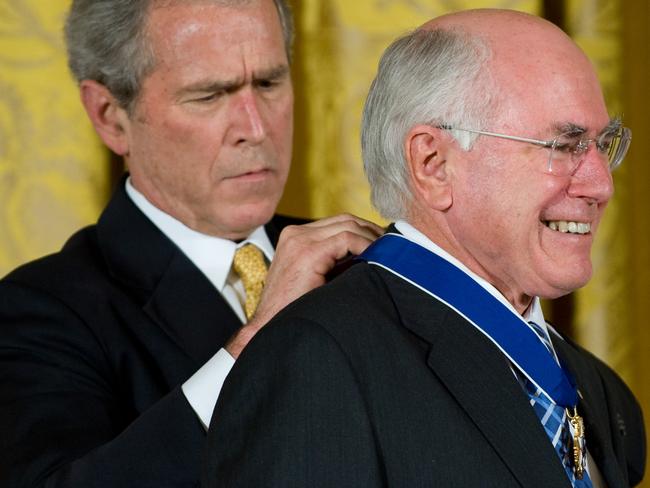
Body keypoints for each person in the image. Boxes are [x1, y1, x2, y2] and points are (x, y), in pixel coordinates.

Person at [203, 8, 646, 488]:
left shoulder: (599, 391)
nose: (601, 185)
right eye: (564, 146)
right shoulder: (317, 366)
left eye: (604, 144)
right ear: (433, 164)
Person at [0, 0, 382, 486]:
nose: (256, 128)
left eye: (268, 83)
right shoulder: (36, 309)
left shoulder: (363, 263)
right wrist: (260, 339)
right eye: (209, 95)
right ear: (110, 117)